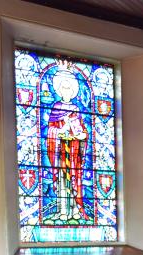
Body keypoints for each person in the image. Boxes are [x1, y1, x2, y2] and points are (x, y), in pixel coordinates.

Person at [46, 70, 90, 222]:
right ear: (58, 90)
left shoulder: (76, 110)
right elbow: (50, 130)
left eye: (70, 88)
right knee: (62, 181)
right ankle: (63, 211)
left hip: (74, 151)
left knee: (74, 179)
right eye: (64, 88)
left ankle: (75, 210)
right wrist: (61, 130)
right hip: (60, 150)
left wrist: (83, 135)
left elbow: (83, 129)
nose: (67, 91)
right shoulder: (56, 108)